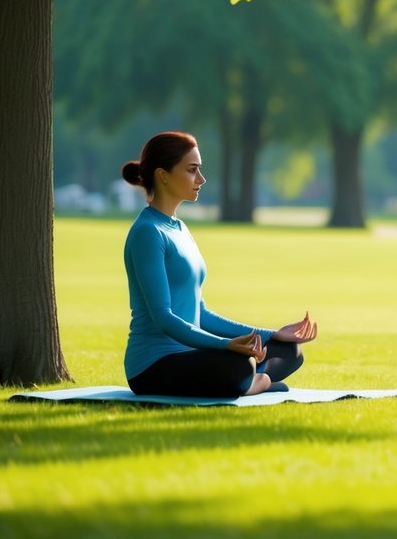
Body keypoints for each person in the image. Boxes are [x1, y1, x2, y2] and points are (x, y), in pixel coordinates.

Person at [120, 131, 318, 397]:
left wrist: (270, 334)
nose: (201, 179)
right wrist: (226, 346)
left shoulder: (180, 228)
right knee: (239, 365)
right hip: (153, 367)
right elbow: (164, 318)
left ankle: (251, 382)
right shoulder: (148, 232)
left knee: (290, 350)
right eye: (192, 170)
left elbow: (199, 313)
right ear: (163, 175)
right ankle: (257, 383)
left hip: (194, 358)